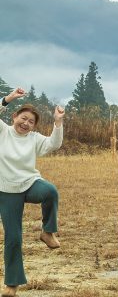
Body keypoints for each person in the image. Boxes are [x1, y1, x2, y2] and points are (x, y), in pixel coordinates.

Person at [0, 87, 64, 297]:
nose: (26, 124)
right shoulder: (3, 131)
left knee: (50, 191)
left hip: (29, 183)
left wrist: (58, 122)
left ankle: (47, 231)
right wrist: (8, 99)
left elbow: (54, 143)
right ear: (14, 116)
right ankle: (12, 284)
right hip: (6, 190)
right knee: (14, 238)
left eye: (31, 122)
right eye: (23, 118)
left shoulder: (34, 139)